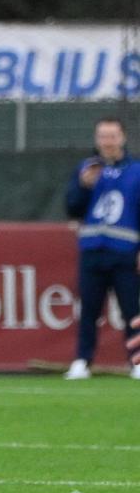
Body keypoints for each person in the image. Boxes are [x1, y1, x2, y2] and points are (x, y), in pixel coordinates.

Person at [64, 116, 140, 380]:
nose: (107, 142)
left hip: (125, 252)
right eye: (103, 137)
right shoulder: (86, 169)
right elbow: (72, 208)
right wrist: (84, 186)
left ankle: (136, 362)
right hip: (93, 251)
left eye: (112, 136)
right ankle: (82, 361)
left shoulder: (136, 171)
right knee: (89, 310)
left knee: (132, 310)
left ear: (122, 138)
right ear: (97, 139)